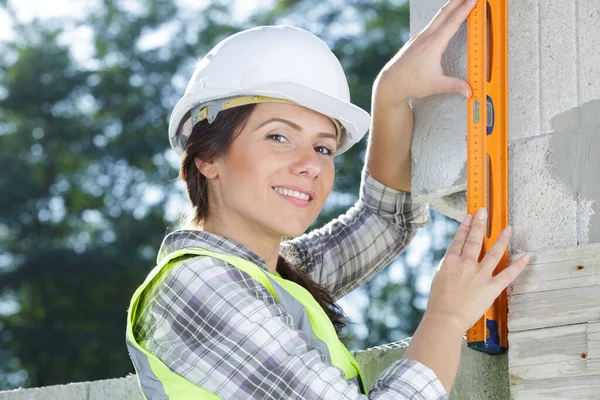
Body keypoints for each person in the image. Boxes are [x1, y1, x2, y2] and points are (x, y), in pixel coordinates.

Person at [125, 0, 530, 398]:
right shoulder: (200, 285)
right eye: (278, 137)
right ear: (208, 157)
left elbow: (386, 221)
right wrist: (445, 317)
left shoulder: (275, 278)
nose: (310, 165)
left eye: (323, 148)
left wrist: (389, 95)